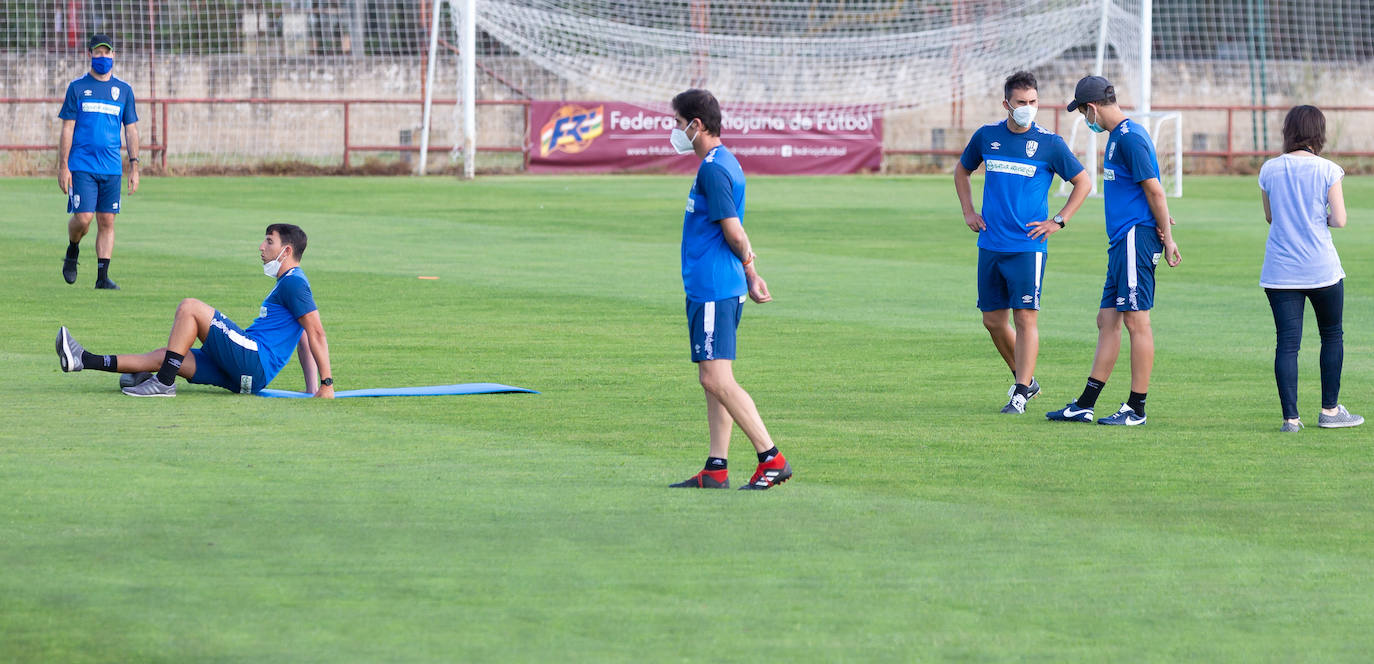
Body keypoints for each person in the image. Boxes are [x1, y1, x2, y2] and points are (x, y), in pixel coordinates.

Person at [665, 89, 791, 490]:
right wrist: (750, 274)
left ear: (695, 125)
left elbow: (734, 231)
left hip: (715, 288)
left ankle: (771, 458)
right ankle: (716, 468)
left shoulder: (714, 169)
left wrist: (752, 270)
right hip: (713, 285)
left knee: (717, 380)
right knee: (712, 378)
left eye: (676, 122)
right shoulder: (722, 162)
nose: (674, 130)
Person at [55, 224, 335, 399]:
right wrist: (313, 390)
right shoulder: (287, 284)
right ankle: (83, 359)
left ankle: (164, 384)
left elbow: (317, 333)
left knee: (191, 307)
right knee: (168, 357)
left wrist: (327, 384)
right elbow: (302, 338)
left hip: (254, 359)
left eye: (269, 241)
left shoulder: (295, 284)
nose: (261, 247)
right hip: (248, 376)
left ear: (286, 251)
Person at [954, 71, 1093, 414]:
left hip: (1028, 246)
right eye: (1021, 103)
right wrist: (969, 211)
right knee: (992, 320)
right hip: (990, 243)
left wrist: (1059, 220)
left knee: (1025, 317)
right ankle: (1027, 380)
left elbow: (1084, 182)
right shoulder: (987, 137)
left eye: (1033, 102)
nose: (1028, 108)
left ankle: (1019, 392)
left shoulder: (1050, 144)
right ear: (1006, 104)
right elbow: (961, 171)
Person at [1047, 75, 1182, 426]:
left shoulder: (1130, 138)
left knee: (1138, 321)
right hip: (1121, 241)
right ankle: (1085, 404)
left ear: (1091, 108)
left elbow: (1155, 191)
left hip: (1135, 238)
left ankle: (1136, 408)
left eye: (1082, 112)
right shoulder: (1116, 138)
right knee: (1107, 320)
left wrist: (1167, 237)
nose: (1085, 120)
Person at [1259, 105, 1363, 432]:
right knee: (1332, 335)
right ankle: (1329, 411)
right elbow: (1341, 220)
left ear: (1288, 131)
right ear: (1319, 133)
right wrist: (1322, 218)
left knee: (1287, 343)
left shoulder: (1269, 170)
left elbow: (1271, 216)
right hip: (1321, 268)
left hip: (1280, 270)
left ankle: (1290, 418)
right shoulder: (1328, 170)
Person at [58, 33, 140, 290]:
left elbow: (131, 130)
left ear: (113, 55)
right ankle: (73, 249)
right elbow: (67, 128)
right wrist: (63, 166)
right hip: (82, 165)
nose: (102, 57)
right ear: (90, 55)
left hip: (112, 167)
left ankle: (102, 277)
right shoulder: (77, 88)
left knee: (107, 221)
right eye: (98, 53)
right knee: (83, 218)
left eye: (107, 53)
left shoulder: (124, 91)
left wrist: (134, 165)